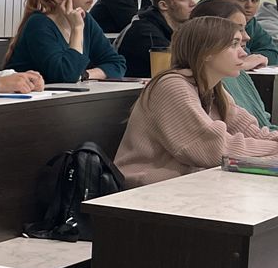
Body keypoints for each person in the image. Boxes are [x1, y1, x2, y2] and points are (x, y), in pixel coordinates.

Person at [114, 16, 278, 186]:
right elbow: (213, 149)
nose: (243, 53)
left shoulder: (213, 87)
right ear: (206, 52)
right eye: (233, 44)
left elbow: (251, 131)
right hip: (147, 191)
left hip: (189, 185)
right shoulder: (172, 86)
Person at [4, 0, 127, 83]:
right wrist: (77, 28)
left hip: (61, 99)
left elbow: (117, 64)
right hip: (24, 100)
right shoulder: (38, 24)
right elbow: (66, 75)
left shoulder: (85, 19)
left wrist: (85, 74)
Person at [189, 0, 276, 130]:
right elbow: (225, 143)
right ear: (209, 36)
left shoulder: (237, 74)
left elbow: (261, 127)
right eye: (238, 31)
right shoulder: (186, 86)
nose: (247, 37)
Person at [115, 0, 197, 78]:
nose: (193, 3)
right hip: (133, 92)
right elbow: (180, 67)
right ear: (163, 5)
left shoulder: (173, 28)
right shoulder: (145, 32)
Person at [206, 0, 278, 66]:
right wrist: (248, 59)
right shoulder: (211, 20)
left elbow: (273, 54)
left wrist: (250, 59)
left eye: (255, 0)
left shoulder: (252, 22)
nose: (249, 5)